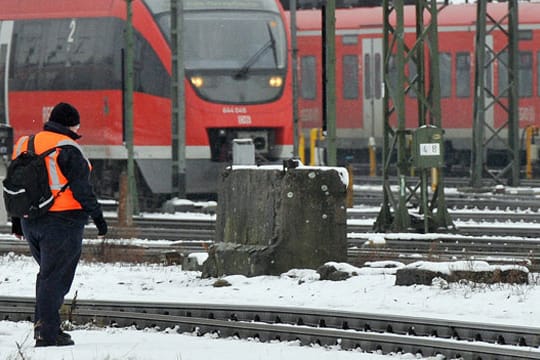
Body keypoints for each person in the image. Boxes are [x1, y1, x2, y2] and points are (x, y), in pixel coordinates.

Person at [11, 102, 108, 347]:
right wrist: (98, 217)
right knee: (55, 278)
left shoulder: (25, 143)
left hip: (30, 222)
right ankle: (48, 334)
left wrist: (16, 221)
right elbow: (82, 188)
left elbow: (16, 185)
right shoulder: (67, 148)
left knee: (47, 276)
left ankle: (43, 326)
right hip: (62, 222)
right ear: (71, 125)